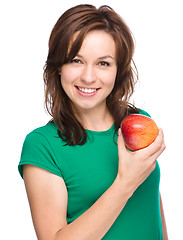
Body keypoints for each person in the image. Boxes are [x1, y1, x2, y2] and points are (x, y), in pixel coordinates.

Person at [18, 4, 168, 240]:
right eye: (76, 60)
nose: (88, 77)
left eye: (103, 63)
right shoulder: (42, 146)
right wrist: (125, 182)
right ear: (58, 67)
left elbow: (151, 207)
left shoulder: (139, 122)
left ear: (118, 71)